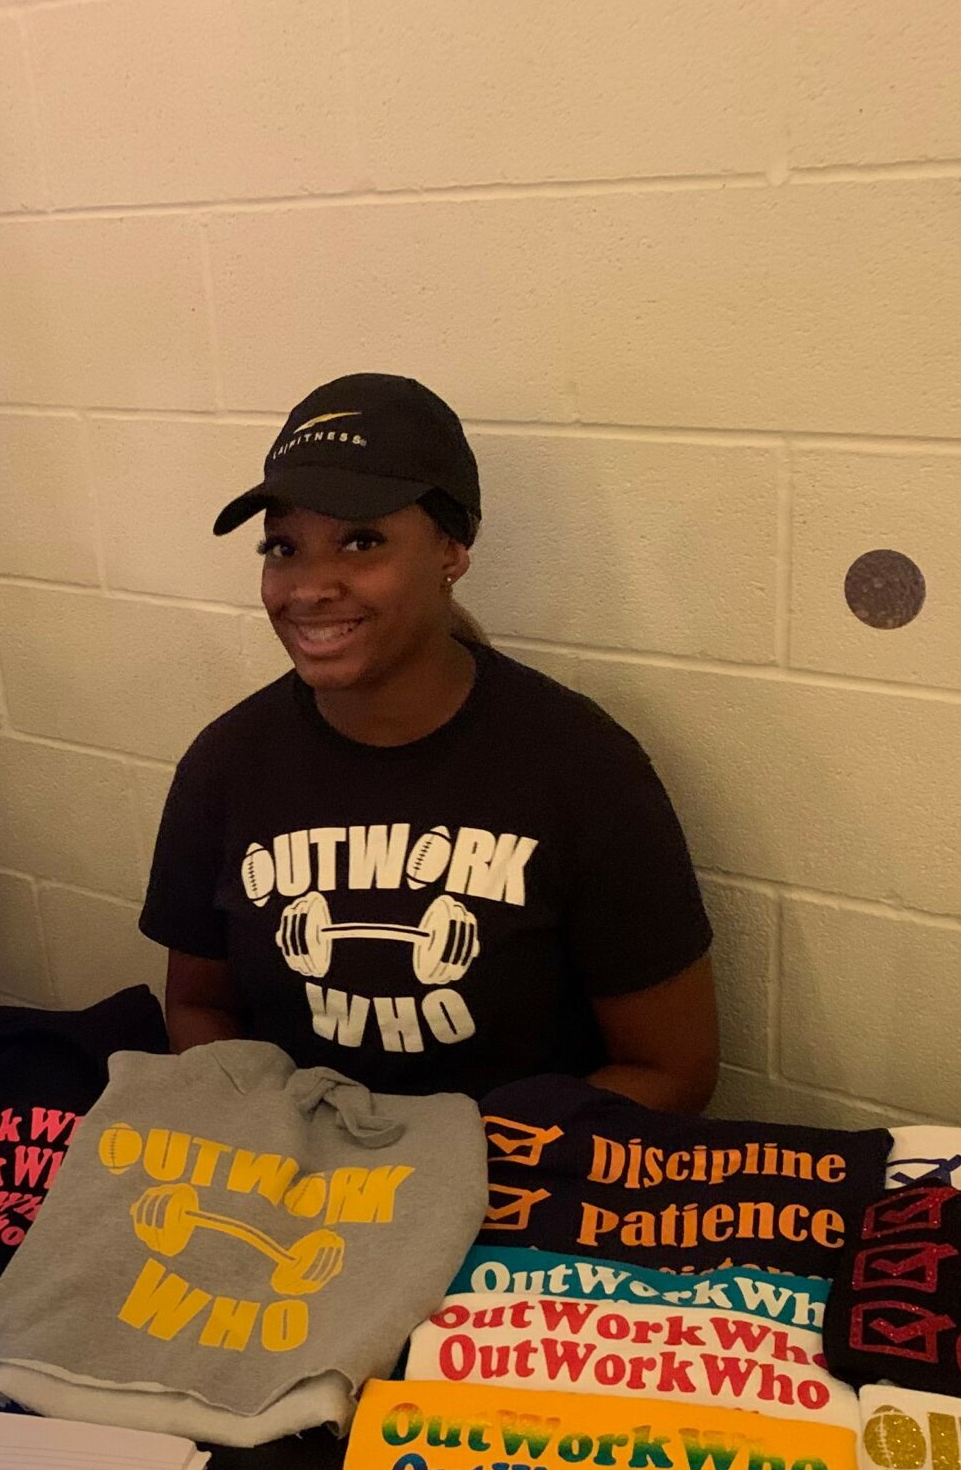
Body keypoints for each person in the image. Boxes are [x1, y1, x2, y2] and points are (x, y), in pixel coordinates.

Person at [140, 373, 720, 1110]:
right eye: (283, 547)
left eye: (361, 541)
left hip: (509, 1191)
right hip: (293, 1179)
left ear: (450, 550)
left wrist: (446, 1174)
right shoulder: (227, 764)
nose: (309, 586)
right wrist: (277, 1135)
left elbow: (673, 1070)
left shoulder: (584, 770)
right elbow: (199, 1008)